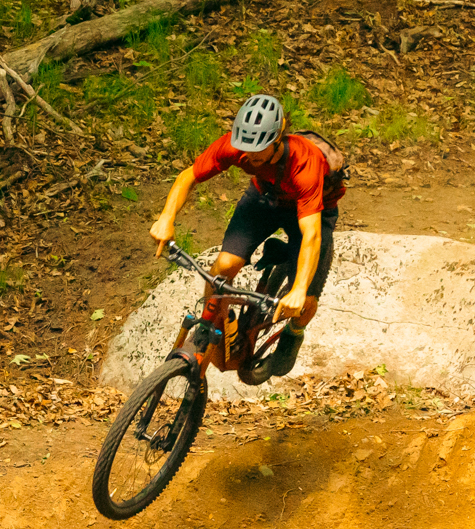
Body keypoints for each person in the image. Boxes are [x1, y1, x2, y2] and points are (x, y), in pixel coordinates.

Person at [149, 90, 348, 381]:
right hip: (265, 197)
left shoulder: (305, 164)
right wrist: (166, 218)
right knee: (225, 266)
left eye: (258, 149)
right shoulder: (234, 147)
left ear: (277, 139)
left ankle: (293, 336)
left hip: (311, 212)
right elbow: (188, 176)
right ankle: (208, 323)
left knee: (305, 303)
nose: (249, 155)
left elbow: (311, 236)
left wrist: (297, 290)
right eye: (245, 146)